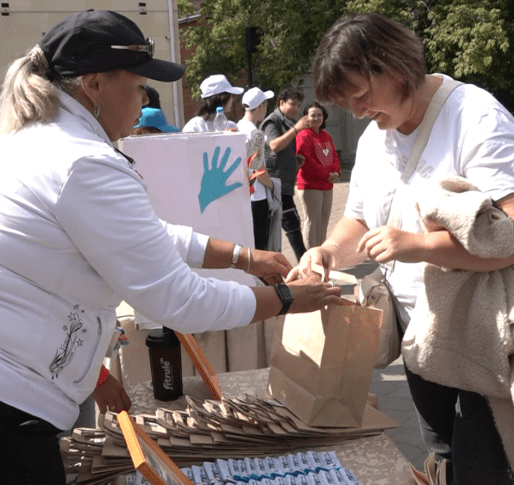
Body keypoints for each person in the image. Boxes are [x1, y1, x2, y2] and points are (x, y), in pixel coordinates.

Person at [0, 10, 340, 484]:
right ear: (94, 85)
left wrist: (246, 256)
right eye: (138, 85)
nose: (143, 101)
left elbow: (149, 235)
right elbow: (178, 300)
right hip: (15, 398)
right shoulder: (82, 161)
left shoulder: (42, 140)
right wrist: (286, 300)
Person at [290, 13, 514, 484]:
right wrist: (328, 251)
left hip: (481, 329)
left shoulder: (474, 116)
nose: (357, 111)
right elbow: (361, 219)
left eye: (361, 95)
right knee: (443, 451)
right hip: (419, 330)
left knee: (482, 469)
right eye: (346, 103)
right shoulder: (375, 138)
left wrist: (420, 245)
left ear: (393, 65)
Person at [262, 88, 309, 260]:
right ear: (281, 103)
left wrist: (294, 161)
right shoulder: (272, 122)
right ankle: (306, 267)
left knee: (290, 225)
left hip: (285, 183)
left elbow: (280, 151)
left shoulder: (287, 122)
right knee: (292, 225)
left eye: (298, 105)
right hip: (274, 184)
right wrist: (296, 129)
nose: (296, 108)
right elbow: (274, 145)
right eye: (292, 104)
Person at [295, 101, 341, 248]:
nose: (316, 118)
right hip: (310, 186)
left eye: (319, 115)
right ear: (305, 117)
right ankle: (309, 256)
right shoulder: (303, 135)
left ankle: (320, 255)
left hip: (327, 185)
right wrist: (326, 174)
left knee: (323, 223)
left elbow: (334, 156)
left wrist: (336, 172)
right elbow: (306, 160)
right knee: (312, 223)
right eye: (312, 115)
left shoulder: (325, 136)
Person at [238, 87, 276, 251]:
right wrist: (272, 186)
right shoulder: (254, 132)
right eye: (265, 105)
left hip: (243, 193)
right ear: (260, 106)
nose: (266, 109)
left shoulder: (237, 126)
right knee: (260, 246)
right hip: (257, 195)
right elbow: (257, 167)